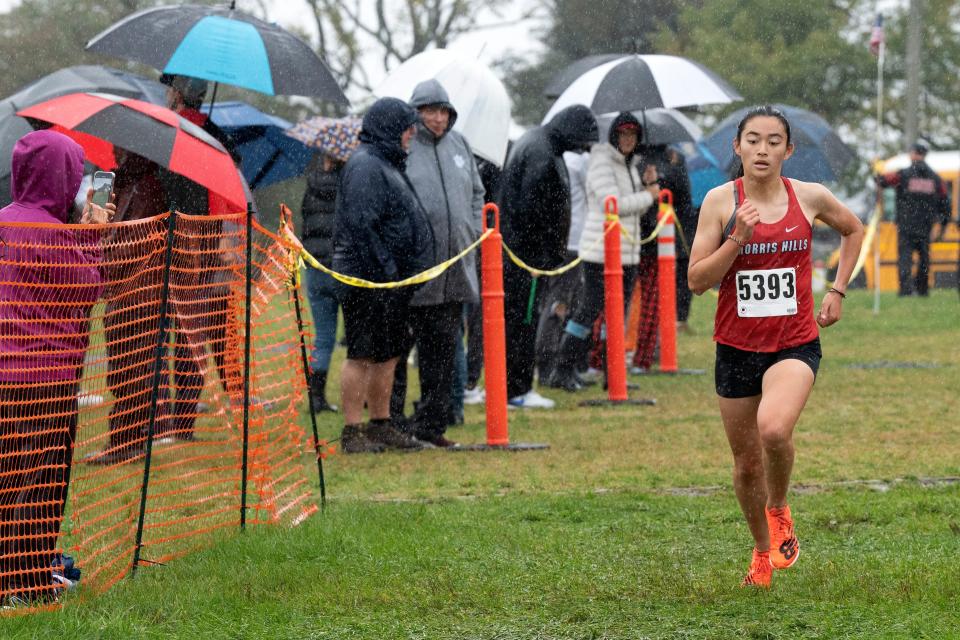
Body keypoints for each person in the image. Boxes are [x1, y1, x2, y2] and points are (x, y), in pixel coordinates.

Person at [687, 106, 863, 588]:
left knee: (774, 430)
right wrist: (736, 241)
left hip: (795, 342)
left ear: (789, 150)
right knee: (745, 465)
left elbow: (853, 229)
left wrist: (837, 290)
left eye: (772, 141)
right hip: (737, 349)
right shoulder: (721, 203)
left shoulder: (808, 197)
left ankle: (779, 506)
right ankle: (762, 553)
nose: (762, 150)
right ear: (737, 147)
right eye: (753, 140)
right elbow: (697, 280)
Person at [0, 130, 114, 604]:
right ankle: (24, 582)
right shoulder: (56, 235)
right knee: (42, 483)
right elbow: (87, 287)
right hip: (45, 383)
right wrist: (93, 238)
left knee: (7, 480)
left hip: (5, 376)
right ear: (64, 177)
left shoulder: (5, 221)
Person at [332, 97, 433, 453]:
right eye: (408, 128)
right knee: (361, 353)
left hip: (389, 283)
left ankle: (380, 424)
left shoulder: (385, 163)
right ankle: (352, 432)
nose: (411, 135)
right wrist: (387, 271)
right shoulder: (365, 166)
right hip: (367, 279)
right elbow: (362, 226)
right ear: (392, 128)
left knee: (388, 354)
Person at [390, 80, 484, 448]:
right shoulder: (405, 145)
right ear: (416, 111)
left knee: (444, 351)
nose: (438, 117)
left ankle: (432, 424)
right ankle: (394, 422)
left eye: (443, 110)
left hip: (456, 268)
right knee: (398, 350)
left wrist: (473, 229)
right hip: (413, 270)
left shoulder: (460, 144)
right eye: (430, 109)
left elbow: (477, 192)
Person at [549, 112, 659, 391]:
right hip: (601, 251)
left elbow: (629, 205)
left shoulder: (630, 165)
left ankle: (613, 374)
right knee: (590, 308)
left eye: (633, 135)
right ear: (613, 135)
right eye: (623, 134)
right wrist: (649, 196)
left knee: (617, 314)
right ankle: (562, 369)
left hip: (627, 251)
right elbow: (614, 204)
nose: (628, 139)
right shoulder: (601, 161)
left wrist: (646, 185)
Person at [498, 105, 598, 409]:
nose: (582, 149)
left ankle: (514, 385)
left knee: (519, 321)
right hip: (526, 259)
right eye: (581, 141)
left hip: (522, 254)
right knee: (523, 322)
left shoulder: (537, 143)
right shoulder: (542, 153)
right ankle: (517, 389)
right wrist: (537, 261)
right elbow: (532, 212)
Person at [536, 149, 589, 387]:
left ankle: (561, 363)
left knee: (568, 304)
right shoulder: (580, 162)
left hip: (570, 241)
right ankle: (548, 364)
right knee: (558, 305)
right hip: (573, 242)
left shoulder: (562, 160)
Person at [301, 150, 346, 413]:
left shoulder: (312, 184)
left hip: (315, 268)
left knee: (323, 338)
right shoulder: (348, 185)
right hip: (341, 269)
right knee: (354, 335)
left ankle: (316, 397)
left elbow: (306, 224)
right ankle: (361, 396)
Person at [876, 142, 951, 296]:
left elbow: (883, 181)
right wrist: (943, 224)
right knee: (924, 258)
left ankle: (905, 290)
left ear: (913, 154)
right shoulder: (935, 178)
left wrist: (877, 170)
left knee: (905, 258)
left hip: (906, 225)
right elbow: (945, 202)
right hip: (925, 226)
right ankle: (922, 289)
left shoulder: (903, 174)